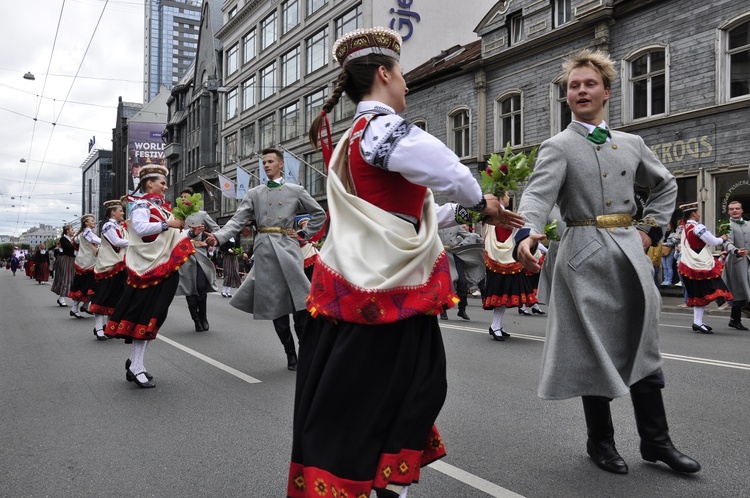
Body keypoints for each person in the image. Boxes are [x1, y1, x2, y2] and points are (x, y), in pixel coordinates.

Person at [287, 27, 518, 498]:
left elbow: (402, 211)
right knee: (411, 388)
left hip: (357, 279)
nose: (408, 85)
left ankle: (369, 479)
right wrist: (483, 200)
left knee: (365, 394)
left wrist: (468, 208)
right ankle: (383, 483)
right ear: (386, 73)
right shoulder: (384, 128)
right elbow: (453, 174)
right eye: (403, 76)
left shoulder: (353, 137)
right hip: (387, 289)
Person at [515, 50, 700, 475]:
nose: (580, 90)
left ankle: (656, 442)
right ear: (567, 96)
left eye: (589, 84)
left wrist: (650, 231)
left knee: (644, 347)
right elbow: (537, 197)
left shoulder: (632, 143)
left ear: (606, 92)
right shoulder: (557, 146)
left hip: (630, 257)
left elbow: (665, 185)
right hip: (582, 259)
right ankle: (601, 443)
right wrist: (526, 232)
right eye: (573, 86)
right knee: (592, 352)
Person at [205, 148, 326, 371]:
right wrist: (219, 236)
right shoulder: (255, 193)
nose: (266, 165)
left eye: (270, 161)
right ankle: (290, 353)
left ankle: (306, 350)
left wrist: (302, 235)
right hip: (265, 252)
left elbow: (319, 214)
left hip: (289, 249)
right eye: (264, 162)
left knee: (301, 305)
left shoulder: (295, 190)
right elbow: (237, 221)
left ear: (281, 164)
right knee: (274, 307)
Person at [104, 166, 193, 388]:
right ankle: (136, 366)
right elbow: (142, 229)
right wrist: (167, 224)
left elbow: (172, 235)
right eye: (162, 182)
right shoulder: (142, 205)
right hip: (149, 270)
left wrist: (192, 233)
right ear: (149, 183)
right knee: (146, 316)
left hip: (163, 268)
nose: (165, 186)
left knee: (154, 316)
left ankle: (136, 363)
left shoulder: (161, 207)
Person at [483, 193, 538, 340]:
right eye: (507, 195)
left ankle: (496, 325)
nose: (508, 198)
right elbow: (516, 231)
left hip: (497, 258)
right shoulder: (503, 214)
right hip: (506, 260)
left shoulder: (491, 213)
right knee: (502, 295)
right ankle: (495, 326)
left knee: (502, 296)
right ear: (501, 197)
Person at [677, 202, 732, 333]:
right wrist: (723, 238)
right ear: (694, 213)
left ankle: (698, 322)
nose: (699, 215)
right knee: (710, 289)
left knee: (698, 294)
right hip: (700, 265)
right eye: (698, 212)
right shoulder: (697, 227)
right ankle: (698, 321)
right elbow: (712, 241)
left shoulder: (685, 228)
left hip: (688, 265)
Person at [176, 187, 219, 332]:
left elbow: (217, 229)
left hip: (199, 254)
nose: (183, 199)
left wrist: (211, 240)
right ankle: (196, 320)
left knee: (201, 288)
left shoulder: (202, 214)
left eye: (186, 196)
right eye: (181, 197)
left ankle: (203, 317)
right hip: (183, 256)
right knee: (189, 290)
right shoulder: (176, 215)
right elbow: (171, 235)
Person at [88, 200, 129, 341]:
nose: (123, 213)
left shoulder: (121, 226)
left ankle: (109, 328)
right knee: (103, 297)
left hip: (119, 265)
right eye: (121, 210)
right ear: (113, 212)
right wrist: (136, 243)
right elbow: (116, 242)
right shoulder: (108, 226)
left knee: (116, 297)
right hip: (108, 266)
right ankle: (98, 328)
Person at [722, 200, 750, 330]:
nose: (734, 211)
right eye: (732, 209)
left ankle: (735, 319)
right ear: (728, 211)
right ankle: (735, 320)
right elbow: (727, 243)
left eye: (737, 208)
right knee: (739, 291)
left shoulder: (749, 224)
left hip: (748, 260)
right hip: (736, 261)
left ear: (741, 210)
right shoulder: (726, 226)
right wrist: (736, 251)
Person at [437, 224, 473, 320]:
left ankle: (462, 309)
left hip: (455, 254)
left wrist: (461, 245)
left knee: (462, 282)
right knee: (444, 283)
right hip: (441, 256)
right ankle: (443, 309)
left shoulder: (456, 225)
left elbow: (469, 236)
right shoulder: (435, 223)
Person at [68, 215, 101, 318]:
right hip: (87, 263)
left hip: (88, 262)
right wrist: (110, 241)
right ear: (86, 223)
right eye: (92, 221)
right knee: (87, 285)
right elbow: (96, 240)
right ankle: (77, 307)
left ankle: (83, 306)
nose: (94, 222)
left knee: (88, 285)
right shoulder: (87, 232)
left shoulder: (86, 233)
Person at [51, 225, 76, 307]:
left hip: (72, 259)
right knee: (66, 277)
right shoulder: (64, 239)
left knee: (71, 278)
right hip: (66, 259)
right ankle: (62, 298)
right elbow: (69, 248)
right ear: (67, 231)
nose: (73, 231)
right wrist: (74, 242)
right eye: (72, 230)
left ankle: (68, 296)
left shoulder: (71, 239)